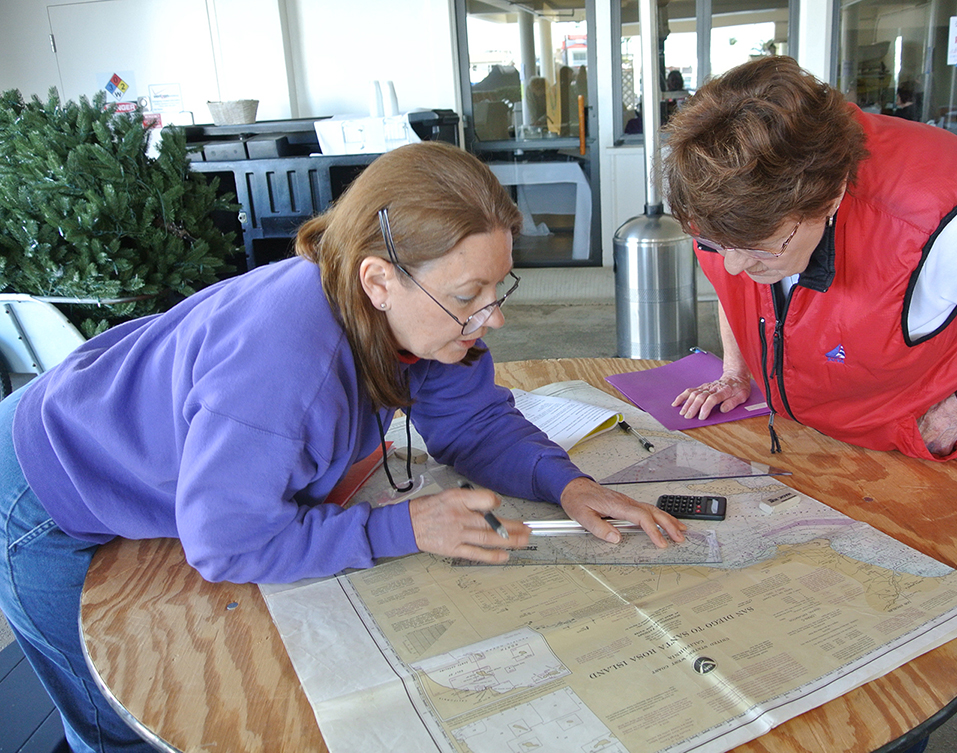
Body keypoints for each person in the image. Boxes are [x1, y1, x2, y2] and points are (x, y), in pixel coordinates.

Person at [0, 141, 685, 752]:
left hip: (138, 439)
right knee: (118, 718)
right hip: (43, 489)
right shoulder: (284, 368)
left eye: (497, 287)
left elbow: (472, 423)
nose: (492, 317)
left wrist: (568, 484)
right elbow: (228, 543)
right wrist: (403, 525)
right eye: (467, 294)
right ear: (378, 280)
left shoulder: (419, 322)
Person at [663, 56, 957, 461]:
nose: (736, 267)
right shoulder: (725, 203)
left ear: (829, 198)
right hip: (825, 430)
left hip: (931, 432)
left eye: (763, 248)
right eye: (718, 245)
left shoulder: (942, 222)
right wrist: (736, 371)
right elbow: (733, 281)